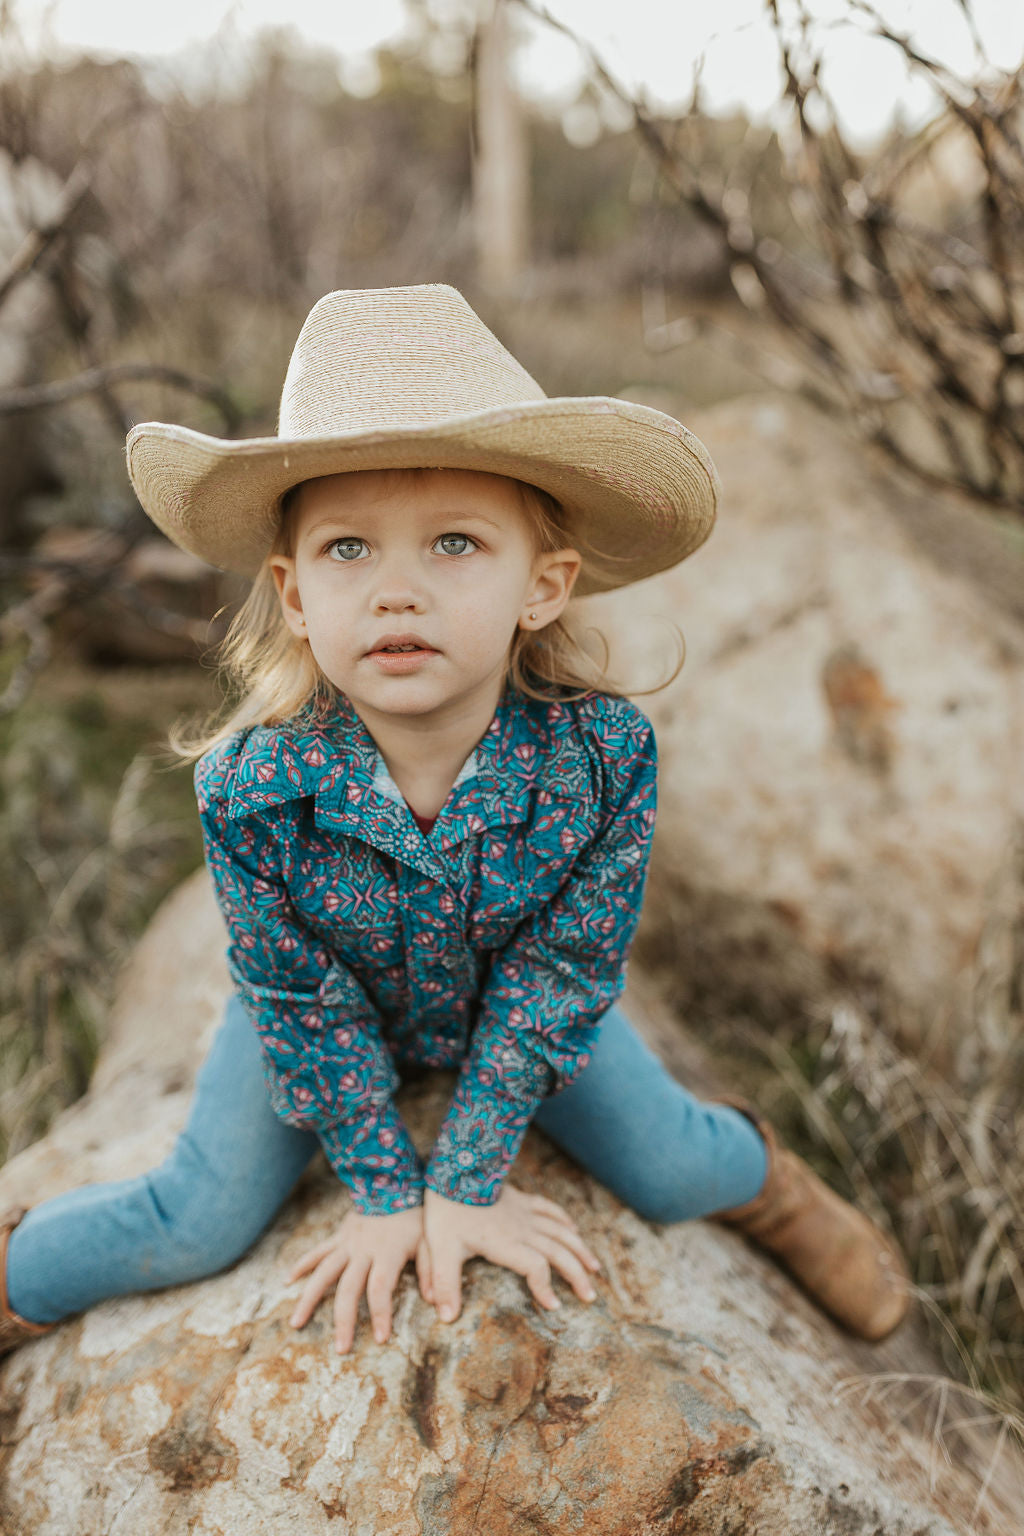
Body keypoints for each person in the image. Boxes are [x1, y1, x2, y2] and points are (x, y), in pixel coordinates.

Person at [0, 285, 909, 1360]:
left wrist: (466, 1179)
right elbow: (298, 997)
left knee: (667, 1163)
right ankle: (19, 1275)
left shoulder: (601, 760)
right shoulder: (251, 788)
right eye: (349, 550)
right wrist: (388, 1193)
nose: (396, 591)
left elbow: (563, 971)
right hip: (328, 1017)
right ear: (292, 597)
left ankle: (777, 1189)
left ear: (545, 584)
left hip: (510, 1007)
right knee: (193, 1217)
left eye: (455, 545)